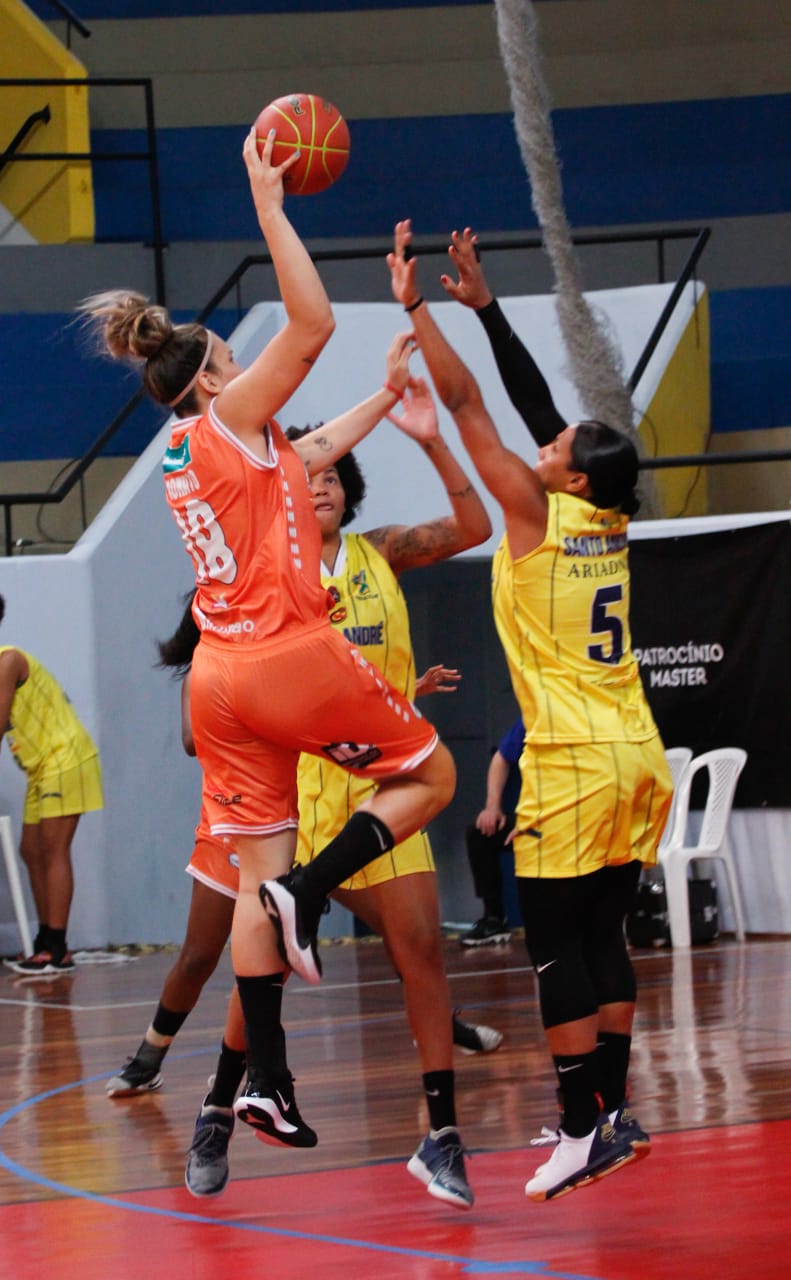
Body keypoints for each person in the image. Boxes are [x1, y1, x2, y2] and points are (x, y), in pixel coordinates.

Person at [79, 129, 457, 1167]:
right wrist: (271, 208)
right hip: (284, 652)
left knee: (254, 878)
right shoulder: (229, 417)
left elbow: (318, 446)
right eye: (233, 362)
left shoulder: (214, 451)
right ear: (209, 384)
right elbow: (315, 319)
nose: (251, 371)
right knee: (431, 774)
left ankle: (269, 1081)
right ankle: (315, 887)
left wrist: (388, 395)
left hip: (220, 681)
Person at [388, 220, 673, 1202]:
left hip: (573, 757)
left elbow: (469, 401)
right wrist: (487, 306)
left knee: (550, 939)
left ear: (570, 475)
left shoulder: (533, 511)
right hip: (638, 752)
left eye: (554, 447)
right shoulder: (607, 510)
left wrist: (418, 307)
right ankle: (613, 1111)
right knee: (604, 935)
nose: (542, 443)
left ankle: (579, 1123)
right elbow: (540, 408)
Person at [0, 585, 104, 975]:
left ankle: (57, 947)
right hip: (41, 768)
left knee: (54, 849)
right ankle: (44, 940)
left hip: (67, 759)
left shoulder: (8, 661)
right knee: (31, 851)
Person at [461, 715, 524, 947]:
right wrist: (492, 806)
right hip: (532, 818)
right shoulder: (534, 715)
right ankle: (494, 919)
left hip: (574, 817)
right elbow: (501, 758)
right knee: (481, 834)